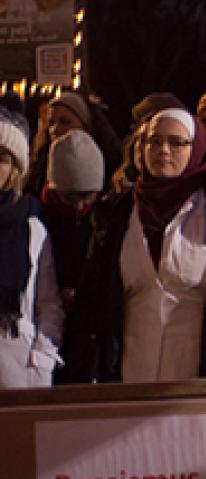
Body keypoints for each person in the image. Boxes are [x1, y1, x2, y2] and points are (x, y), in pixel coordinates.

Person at [64, 109, 206, 382]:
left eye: (176, 142)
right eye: (154, 141)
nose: (163, 150)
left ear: (197, 149)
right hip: (129, 379)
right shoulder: (116, 215)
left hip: (202, 384)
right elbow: (92, 300)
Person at [0, 108, 61, 389]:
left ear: (14, 166)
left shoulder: (30, 223)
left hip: (17, 367)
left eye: (2, 158)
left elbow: (47, 302)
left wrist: (43, 357)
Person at [40, 130, 104, 307]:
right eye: (69, 197)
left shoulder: (105, 218)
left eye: (87, 196)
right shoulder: (37, 218)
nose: (78, 206)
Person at [28, 92, 120, 197]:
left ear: (86, 126)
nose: (55, 129)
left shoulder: (112, 172)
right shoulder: (39, 168)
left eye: (65, 121)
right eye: (51, 123)